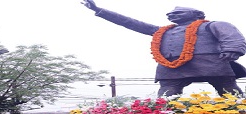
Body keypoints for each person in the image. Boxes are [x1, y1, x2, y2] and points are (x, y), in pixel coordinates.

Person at [81, 0, 246, 96]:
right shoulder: (162, 31)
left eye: (178, 12)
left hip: (210, 63)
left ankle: (239, 110)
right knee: (167, 93)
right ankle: (167, 113)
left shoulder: (213, 25)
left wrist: (233, 50)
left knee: (228, 90)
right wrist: (99, 10)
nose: (172, 15)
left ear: (197, 15)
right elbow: (131, 23)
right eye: (171, 14)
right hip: (172, 67)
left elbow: (231, 36)